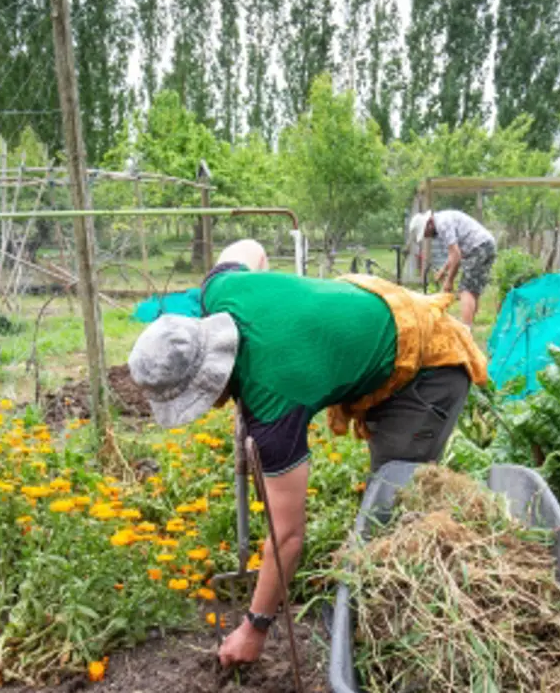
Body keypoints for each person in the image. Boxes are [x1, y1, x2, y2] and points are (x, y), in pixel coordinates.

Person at [127, 239, 488, 667]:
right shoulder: (219, 289)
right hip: (373, 318)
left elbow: (288, 536)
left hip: (428, 365)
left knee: (392, 511)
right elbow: (250, 247)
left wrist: (255, 627)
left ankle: (407, 639)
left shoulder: (275, 399)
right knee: (383, 507)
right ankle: (368, 610)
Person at [409, 210, 497, 327]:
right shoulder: (443, 219)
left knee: (466, 290)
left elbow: (456, 255)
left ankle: (465, 330)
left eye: (425, 233)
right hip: (487, 245)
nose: (427, 236)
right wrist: (443, 270)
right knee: (473, 290)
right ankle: (469, 328)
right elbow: (454, 254)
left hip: (478, 247)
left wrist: (449, 281)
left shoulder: (442, 224)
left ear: (428, 224)